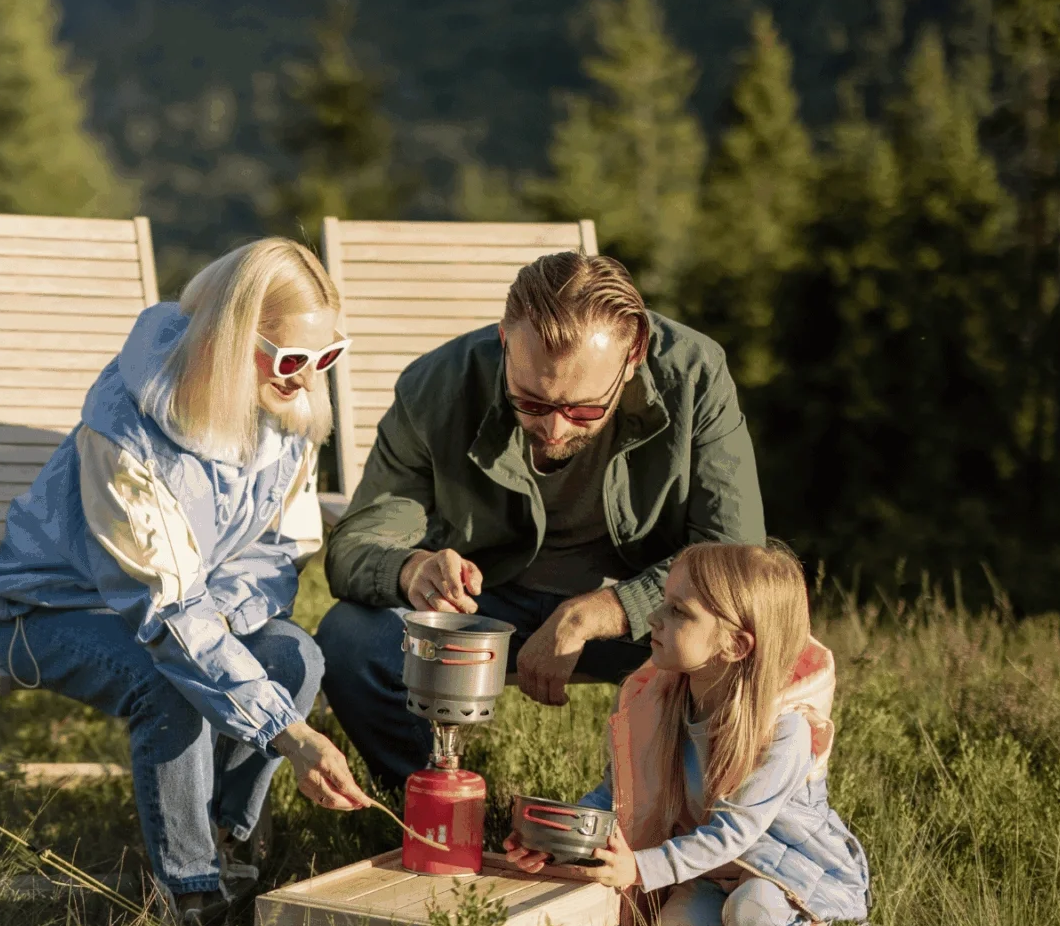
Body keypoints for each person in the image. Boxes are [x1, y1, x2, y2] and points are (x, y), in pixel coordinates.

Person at [0, 238, 371, 926]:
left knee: (294, 656)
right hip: (51, 611)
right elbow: (166, 616)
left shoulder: (287, 413)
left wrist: (229, 627)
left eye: (327, 358)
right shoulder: (125, 433)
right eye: (289, 360)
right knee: (168, 682)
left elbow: (273, 553)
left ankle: (227, 842)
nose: (307, 381)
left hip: (190, 605)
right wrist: (288, 733)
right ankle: (190, 897)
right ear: (225, 340)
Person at [315, 251, 764, 788]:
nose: (553, 430)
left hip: (645, 613)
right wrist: (412, 569)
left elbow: (734, 558)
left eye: (583, 411)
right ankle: (431, 803)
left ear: (634, 352)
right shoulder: (436, 385)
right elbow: (353, 547)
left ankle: (659, 816)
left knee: (750, 634)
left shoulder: (694, 374)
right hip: (487, 608)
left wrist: (597, 613)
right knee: (351, 638)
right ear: (506, 339)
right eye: (528, 402)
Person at [503, 541, 867, 926]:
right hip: (706, 868)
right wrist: (564, 837)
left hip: (781, 875)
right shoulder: (664, 696)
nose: (653, 615)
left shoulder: (783, 731)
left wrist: (639, 868)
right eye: (664, 601)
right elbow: (621, 791)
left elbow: (734, 836)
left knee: (753, 914)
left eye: (679, 611)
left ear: (736, 646)